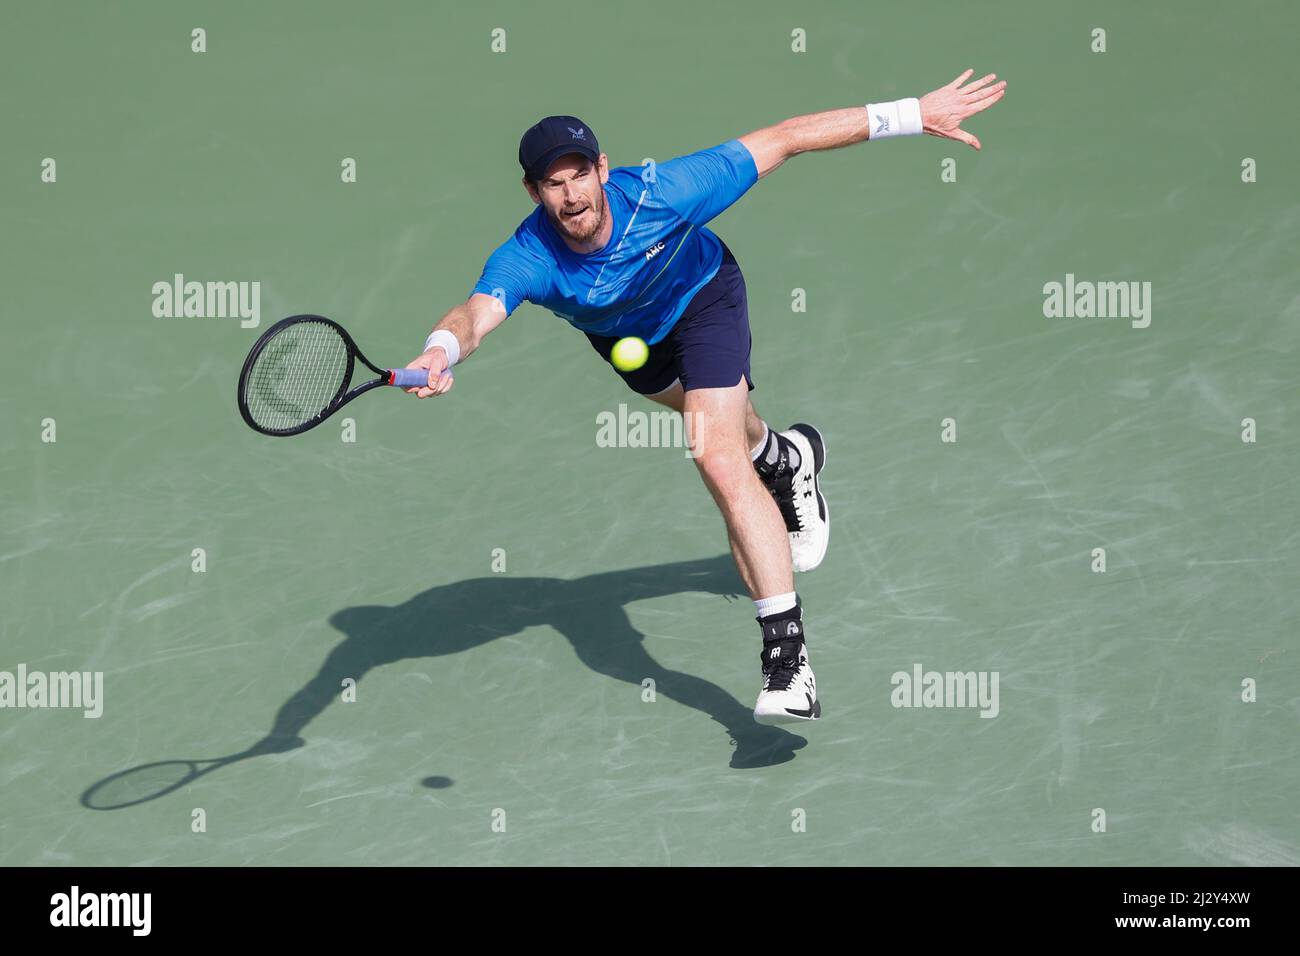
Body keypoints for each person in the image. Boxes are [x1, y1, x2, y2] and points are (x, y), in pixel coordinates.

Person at [404, 69, 1006, 725]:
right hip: (631, 345)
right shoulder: (528, 256)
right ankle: (786, 458)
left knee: (716, 454)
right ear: (533, 191)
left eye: (580, 173)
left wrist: (913, 113)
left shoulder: (666, 193)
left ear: (603, 169)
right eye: (553, 182)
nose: (571, 193)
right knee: (736, 438)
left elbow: (785, 139)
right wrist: (442, 349)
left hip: (705, 302)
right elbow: (477, 311)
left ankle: (787, 662)